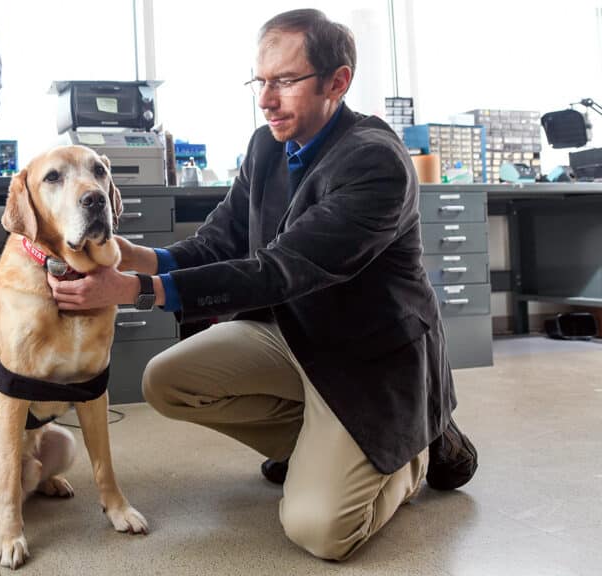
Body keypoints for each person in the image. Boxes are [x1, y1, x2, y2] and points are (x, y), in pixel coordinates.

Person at [48, 9, 478, 561]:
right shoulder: (267, 145)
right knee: (166, 381)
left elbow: (278, 271)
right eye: (260, 81)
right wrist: (133, 257)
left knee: (320, 531)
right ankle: (320, 447)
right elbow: (218, 242)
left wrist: (136, 290)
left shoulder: (375, 162)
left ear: (337, 82)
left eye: (285, 81)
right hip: (294, 334)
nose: (266, 100)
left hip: (369, 360)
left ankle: (413, 448)